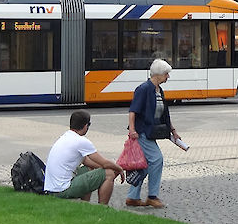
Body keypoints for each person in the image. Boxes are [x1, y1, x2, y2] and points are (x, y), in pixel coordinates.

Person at [126, 59, 178, 208]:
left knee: (144, 165)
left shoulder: (158, 90)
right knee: (157, 159)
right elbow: (133, 111)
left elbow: (164, 113)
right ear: (159, 74)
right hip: (142, 132)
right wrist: (132, 130)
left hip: (150, 132)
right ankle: (152, 196)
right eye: (166, 74)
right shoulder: (143, 89)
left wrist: (173, 130)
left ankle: (132, 197)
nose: (168, 77)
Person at [43, 109, 123, 203]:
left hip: (52, 189)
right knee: (109, 174)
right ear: (86, 126)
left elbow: (87, 161)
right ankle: (103, 208)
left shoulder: (66, 136)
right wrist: (119, 169)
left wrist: (104, 168)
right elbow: (104, 163)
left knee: (89, 169)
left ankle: (85, 204)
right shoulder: (81, 141)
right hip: (62, 190)